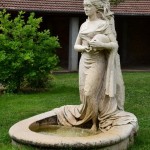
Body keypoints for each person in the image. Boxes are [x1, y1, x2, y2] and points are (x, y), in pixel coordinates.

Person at [55, 0, 137, 132]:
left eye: (88, 6)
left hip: (97, 62)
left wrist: (102, 45)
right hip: (84, 61)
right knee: (83, 93)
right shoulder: (83, 25)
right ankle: (90, 120)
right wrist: (84, 47)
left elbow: (114, 44)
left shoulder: (104, 24)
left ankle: (95, 124)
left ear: (96, 8)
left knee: (89, 92)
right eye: (84, 6)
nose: (85, 8)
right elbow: (76, 45)